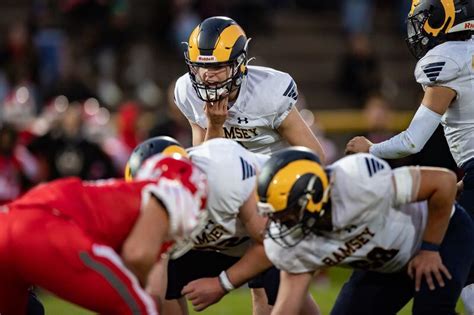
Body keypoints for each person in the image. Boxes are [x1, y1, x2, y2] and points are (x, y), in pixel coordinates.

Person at [344, 1, 474, 309]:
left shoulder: (446, 61)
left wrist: (371, 148)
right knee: (464, 270)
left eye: (423, 19)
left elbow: (413, 141)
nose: (417, 28)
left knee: (437, 271)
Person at [257, 147, 474, 315]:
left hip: (440, 234)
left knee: (431, 311)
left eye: (285, 215)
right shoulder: (291, 238)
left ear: (312, 197)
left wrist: (429, 248)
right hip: (385, 261)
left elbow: (443, 182)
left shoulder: (357, 183)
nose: (280, 224)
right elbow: (286, 306)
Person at [126, 136, 320, 315]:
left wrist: (222, 284)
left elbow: (269, 243)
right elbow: (154, 278)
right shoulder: (146, 205)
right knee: (163, 274)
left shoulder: (224, 172)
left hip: (267, 234)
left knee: (282, 292)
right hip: (220, 240)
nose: (161, 202)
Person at [0, 153, 208, 314]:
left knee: (29, 311)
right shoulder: (168, 192)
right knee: (142, 309)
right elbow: (138, 254)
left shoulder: (114, 194)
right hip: (44, 229)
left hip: (9, 221)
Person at [173, 16, 325, 159]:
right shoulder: (187, 91)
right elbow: (206, 165)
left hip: (273, 175)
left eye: (217, 66)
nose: (207, 74)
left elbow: (316, 156)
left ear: (239, 64)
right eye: (201, 66)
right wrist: (214, 125)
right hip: (228, 176)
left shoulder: (269, 92)